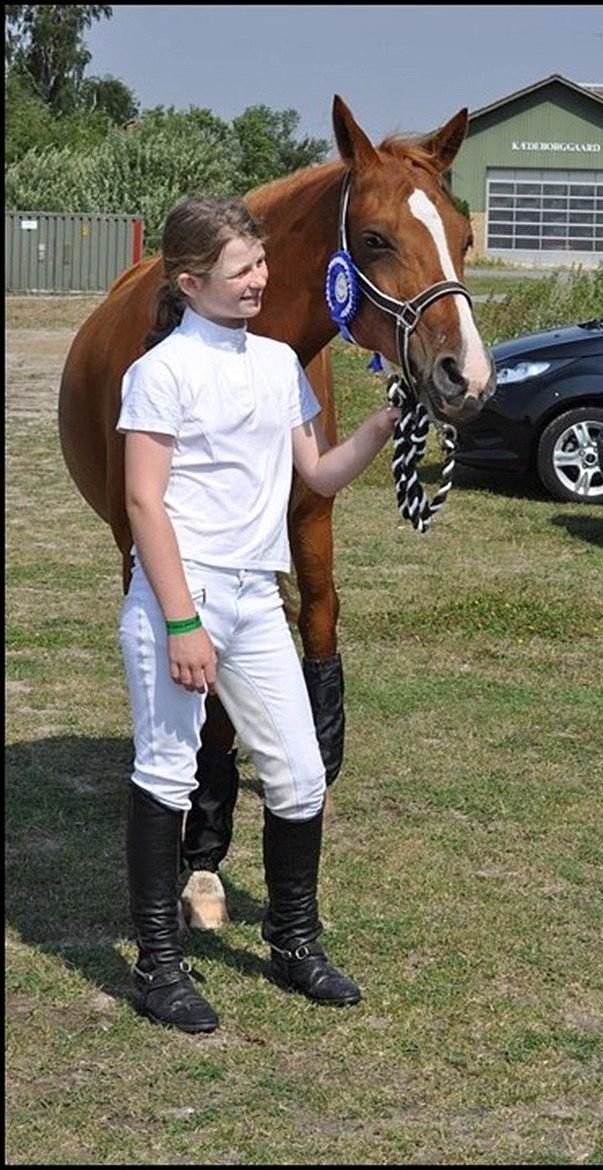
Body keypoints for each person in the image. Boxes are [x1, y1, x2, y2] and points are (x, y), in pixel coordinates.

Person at [117, 194, 400, 1033]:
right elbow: (142, 501)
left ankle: (294, 940)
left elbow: (316, 475)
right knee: (167, 773)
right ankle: (159, 966)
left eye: (262, 263)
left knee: (300, 774)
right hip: (185, 593)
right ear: (191, 280)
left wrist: (385, 422)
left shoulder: (279, 364)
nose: (259, 279)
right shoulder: (160, 371)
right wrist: (178, 621)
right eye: (242, 269)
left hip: (254, 596)